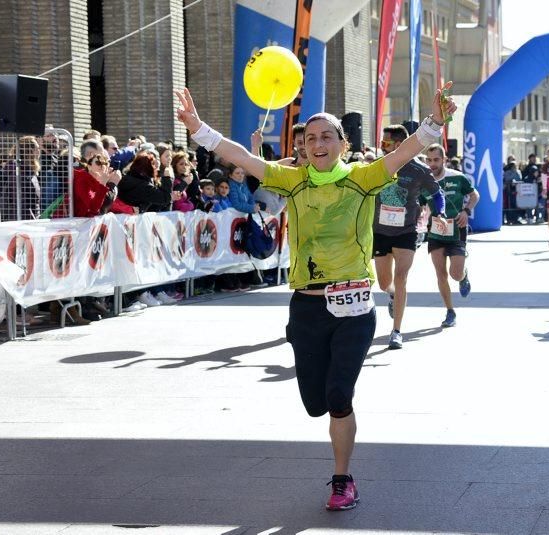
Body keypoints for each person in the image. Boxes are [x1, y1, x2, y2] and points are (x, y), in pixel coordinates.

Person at [175, 85, 456, 511]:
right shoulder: (292, 180)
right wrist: (199, 130)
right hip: (306, 307)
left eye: (327, 137)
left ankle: (343, 480)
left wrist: (435, 123)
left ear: (343, 144)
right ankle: (334, 437)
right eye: (310, 138)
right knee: (314, 404)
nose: (318, 144)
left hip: (354, 306)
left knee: (339, 396)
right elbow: (244, 158)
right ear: (302, 148)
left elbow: (403, 153)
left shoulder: (363, 178)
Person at [373, 124, 446, 350]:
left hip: (405, 231)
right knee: (385, 283)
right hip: (380, 232)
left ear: (398, 144)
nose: (382, 147)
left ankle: (396, 331)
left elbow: (437, 194)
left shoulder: (419, 170)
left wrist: (440, 214)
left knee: (401, 277)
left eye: (385, 143)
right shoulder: (377, 166)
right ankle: (392, 295)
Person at [424, 143, 479, 328]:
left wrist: (466, 211)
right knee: (441, 274)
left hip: (457, 230)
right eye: (429, 160)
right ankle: (450, 311)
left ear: (444, 160)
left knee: (454, 274)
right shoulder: (425, 182)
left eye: (436, 160)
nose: (432, 163)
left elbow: (474, 195)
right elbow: (418, 204)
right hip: (436, 232)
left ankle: (463, 276)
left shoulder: (457, 177)